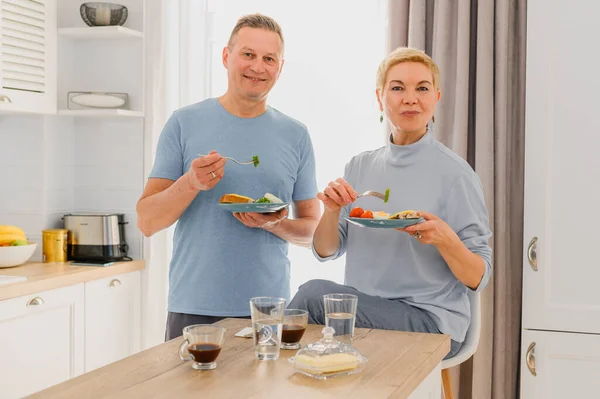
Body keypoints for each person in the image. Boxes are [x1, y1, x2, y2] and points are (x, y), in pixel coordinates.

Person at [288, 47, 492, 359]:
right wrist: (331, 210)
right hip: (365, 311)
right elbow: (327, 250)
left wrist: (444, 238)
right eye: (397, 88)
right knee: (317, 311)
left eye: (422, 88)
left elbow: (479, 276)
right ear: (380, 97)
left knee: (312, 296)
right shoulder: (360, 166)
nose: (410, 98)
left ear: (436, 98)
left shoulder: (456, 174)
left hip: (429, 321)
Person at [137, 14, 320, 340]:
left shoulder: (297, 135)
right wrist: (190, 183)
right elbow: (147, 221)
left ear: (280, 68)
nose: (258, 67)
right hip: (194, 306)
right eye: (248, 54)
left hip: (268, 311)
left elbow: (313, 232)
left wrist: (275, 224)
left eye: (269, 59)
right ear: (226, 57)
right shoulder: (183, 123)